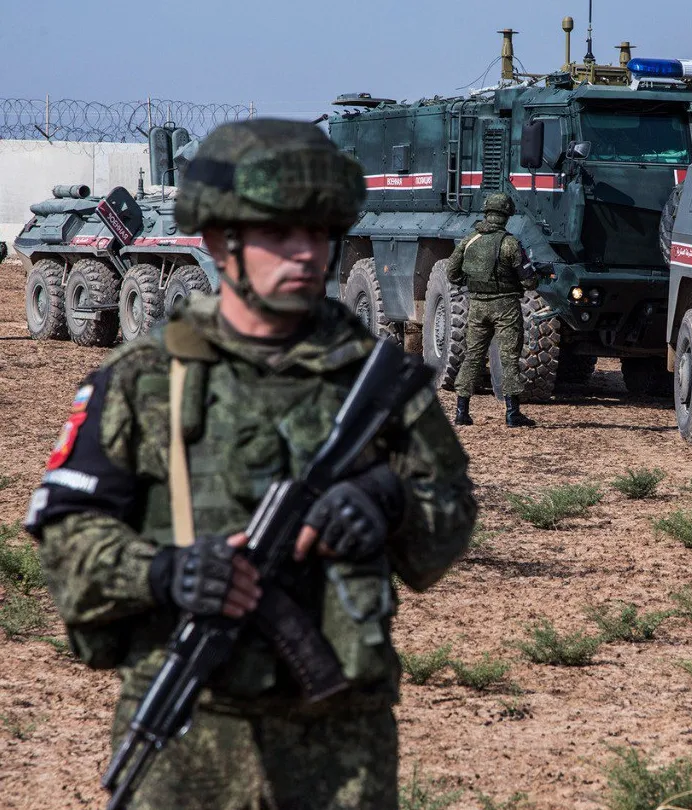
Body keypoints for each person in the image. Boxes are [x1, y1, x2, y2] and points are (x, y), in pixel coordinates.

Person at [23, 119, 476, 810]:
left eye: (320, 233)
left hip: (339, 752)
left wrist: (388, 502)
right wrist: (164, 570)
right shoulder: (148, 379)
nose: (306, 254)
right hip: (189, 743)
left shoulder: (374, 383)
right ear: (218, 242)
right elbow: (66, 543)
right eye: (280, 234)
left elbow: (443, 532)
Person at [447, 192, 539, 428]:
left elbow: (452, 274)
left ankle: (461, 411)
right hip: (506, 307)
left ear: (486, 212)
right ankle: (512, 413)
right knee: (509, 358)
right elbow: (529, 282)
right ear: (507, 214)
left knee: (472, 356)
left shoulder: (468, 240)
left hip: (477, 306)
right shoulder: (510, 243)